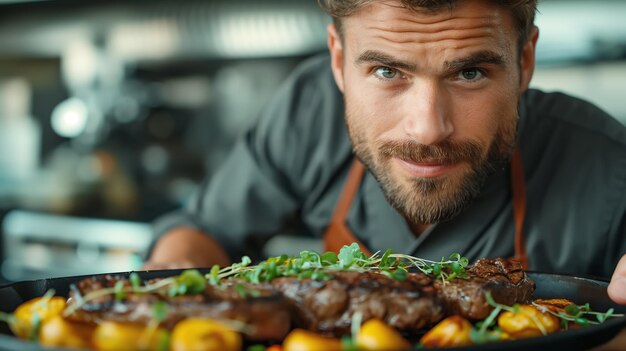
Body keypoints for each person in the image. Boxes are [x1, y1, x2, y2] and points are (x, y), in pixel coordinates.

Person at [145, 0, 626, 306]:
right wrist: (175, 280)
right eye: (386, 72)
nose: (428, 129)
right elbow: (205, 232)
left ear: (524, 62)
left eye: (471, 73)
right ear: (338, 60)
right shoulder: (309, 112)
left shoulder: (606, 166)